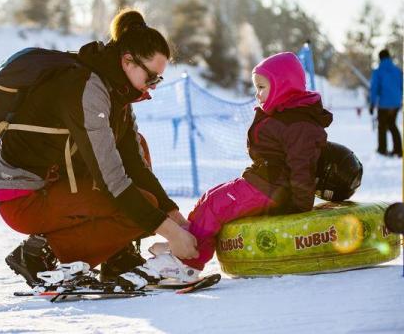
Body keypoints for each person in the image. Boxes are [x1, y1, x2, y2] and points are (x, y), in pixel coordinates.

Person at [0, 8, 199, 286]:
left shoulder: (117, 93)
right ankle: (40, 255)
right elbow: (113, 180)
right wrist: (172, 235)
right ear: (128, 61)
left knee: (139, 149)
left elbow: (134, 163)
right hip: (23, 196)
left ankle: (118, 256)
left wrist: (176, 218)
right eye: (151, 78)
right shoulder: (88, 88)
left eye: (157, 79)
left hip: (55, 182)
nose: (153, 86)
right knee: (141, 206)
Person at [143, 52, 333, 277]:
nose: (257, 94)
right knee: (209, 197)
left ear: (284, 86)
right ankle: (188, 243)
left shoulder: (298, 123)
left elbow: (303, 167)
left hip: (271, 189)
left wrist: (299, 207)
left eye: (262, 87)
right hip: (260, 181)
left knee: (216, 206)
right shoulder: (281, 114)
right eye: (257, 87)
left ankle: (188, 263)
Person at [369, 49, 403, 158]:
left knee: (382, 126)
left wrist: (372, 103)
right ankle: (398, 150)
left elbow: (374, 88)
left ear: (380, 58)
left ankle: (382, 150)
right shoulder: (398, 70)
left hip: (384, 104)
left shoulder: (378, 71)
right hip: (396, 103)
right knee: (392, 125)